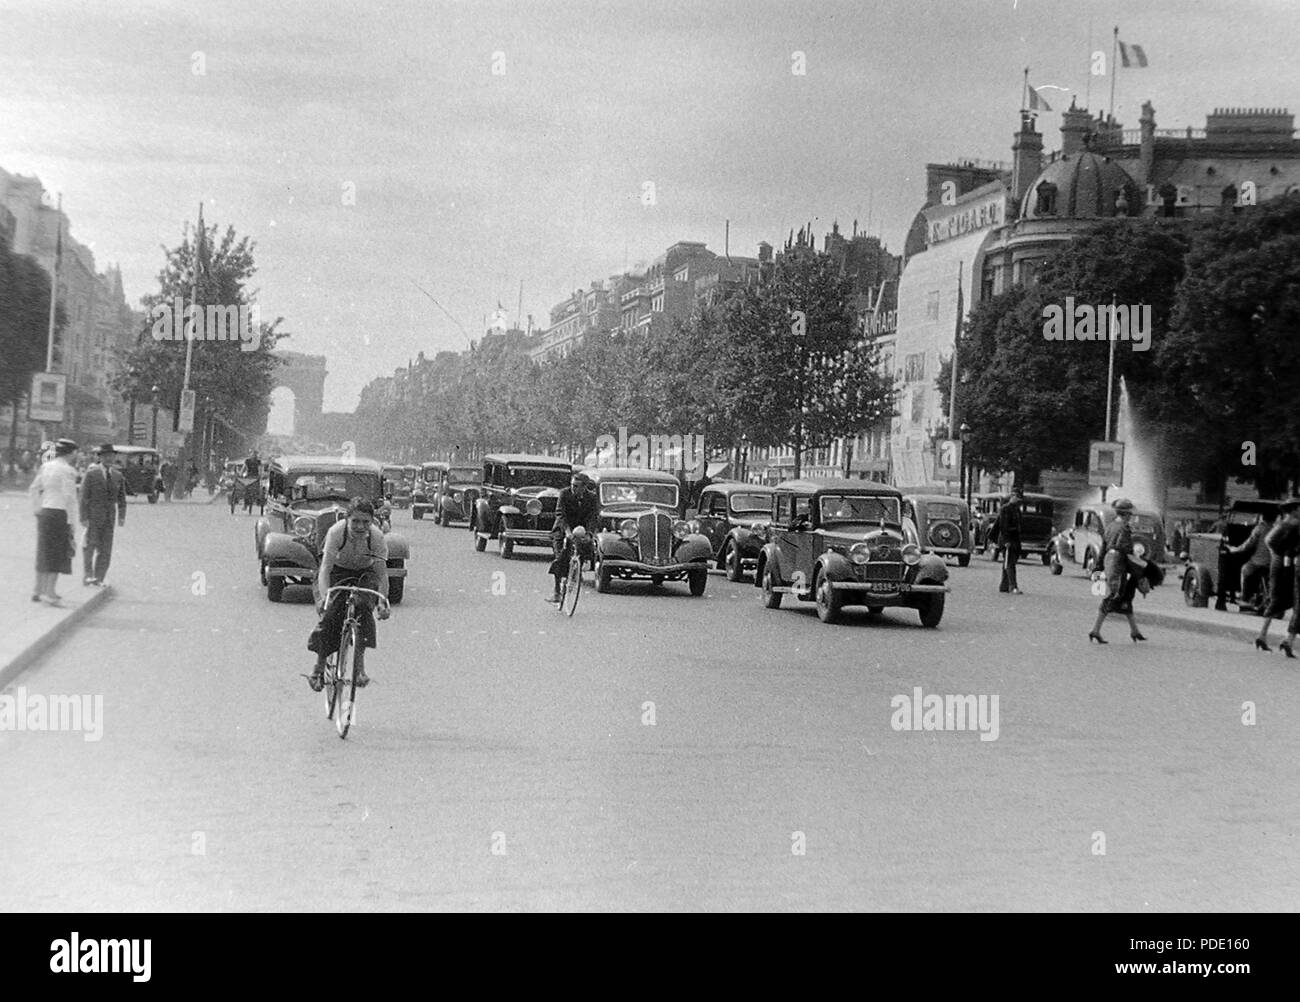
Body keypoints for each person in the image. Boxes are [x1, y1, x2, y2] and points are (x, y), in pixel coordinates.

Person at [308, 499, 390, 691]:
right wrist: (324, 598)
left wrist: (382, 601)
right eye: (355, 521)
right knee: (331, 614)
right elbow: (325, 569)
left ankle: (359, 669)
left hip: (364, 573)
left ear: (372, 522)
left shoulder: (377, 538)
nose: (360, 527)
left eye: (365, 522)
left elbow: (381, 574)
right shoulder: (336, 533)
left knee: (363, 610)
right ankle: (318, 669)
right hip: (336, 572)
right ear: (347, 520)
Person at [1089, 498, 1159, 643]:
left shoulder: (1110, 526)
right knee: (1115, 596)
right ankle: (1095, 630)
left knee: (1126, 596)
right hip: (1118, 564)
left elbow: (1103, 548)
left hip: (1109, 561)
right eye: (1130, 514)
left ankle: (1134, 631)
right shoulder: (1124, 528)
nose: (1131, 516)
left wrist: (1098, 567)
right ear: (1126, 514)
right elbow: (1125, 550)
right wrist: (1138, 570)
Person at [28, 438, 80, 605]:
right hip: (60, 513)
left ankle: (38, 589)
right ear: (71, 453)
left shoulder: (46, 466)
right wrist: (72, 523)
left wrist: (37, 509)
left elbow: (34, 488)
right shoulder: (68, 471)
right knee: (57, 553)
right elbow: (69, 498)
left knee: (43, 550)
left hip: (45, 511)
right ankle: (50, 592)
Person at [1254, 500, 1300, 656]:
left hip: (1279, 564)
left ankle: (1262, 635)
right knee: (1290, 601)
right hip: (1285, 565)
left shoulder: (1283, 523)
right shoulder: (1293, 523)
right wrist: (1283, 554)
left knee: (1276, 600)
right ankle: (1285, 640)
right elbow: (1271, 541)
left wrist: (1277, 555)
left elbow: (1270, 541)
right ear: (1293, 510)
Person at [547, 471, 600, 603]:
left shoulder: (592, 497)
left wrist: (589, 533)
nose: (573, 488)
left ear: (584, 487)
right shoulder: (564, 494)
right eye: (572, 485)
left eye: (576, 486)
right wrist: (567, 531)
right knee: (560, 557)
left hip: (581, 529)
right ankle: (557, 591)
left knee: (587, 549)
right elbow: (560, 514)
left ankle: (577, 570)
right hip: (562, 529)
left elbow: (593, 517)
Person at [79, 444, 127, 586]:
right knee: (90, 547)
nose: (109, 459)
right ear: (99, 457)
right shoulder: (91, 474)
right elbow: (83, 496)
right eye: (105, 456)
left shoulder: (118, 476)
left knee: (106, 550)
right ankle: (88, 576)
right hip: (93, 517)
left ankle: (99, 578)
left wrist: (122, 516)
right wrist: (83, 517)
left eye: (111, 456)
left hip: (109, 518)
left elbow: (122, 498)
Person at [1227, 513, 1272, 612]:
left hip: (1258, 561)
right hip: (1272, 563)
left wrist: (1235, 549)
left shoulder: (1259, 528)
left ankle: (1244, 598)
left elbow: (1248, 545)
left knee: (1244, 570)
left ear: (1262, 518)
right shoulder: (1276, 528)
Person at [995, 488, 1024, 595]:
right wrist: (1006, 540)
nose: (1017, 500)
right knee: (1010, 563)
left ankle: (1003, 585)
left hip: (1015, 539)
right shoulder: (1005, 509)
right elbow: (1003, 526)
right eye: (1016, 497)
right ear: (1012, 497)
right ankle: (1013, 586)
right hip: (1007, 539)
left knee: (1007, 563)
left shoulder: (1017, 510)